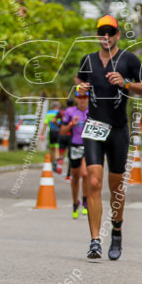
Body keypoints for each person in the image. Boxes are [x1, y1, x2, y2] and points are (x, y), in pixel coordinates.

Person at [75, 15, 142, 261]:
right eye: (101, 33)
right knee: (94, 182)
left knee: (116, 187)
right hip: (94, 127)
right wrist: (81, 91)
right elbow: (79, 95)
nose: (106, 37)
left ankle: (116, 230)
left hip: (118, 129)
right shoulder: (87, 60)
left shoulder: (128, 59)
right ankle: (95, 240)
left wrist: (127, 83)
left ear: (118, 34)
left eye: (110, 32)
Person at [60, 86, 90, 219]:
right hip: (75, 146)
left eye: (85, 97)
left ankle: (85, 201)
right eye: (80, 97)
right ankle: (75, 202)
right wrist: (71, 124)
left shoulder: (92, 111)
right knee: (76, 177)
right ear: (77, 98)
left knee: (85, 174)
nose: (82, 100)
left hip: (88, 146)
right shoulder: (70, 111)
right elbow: (62, 131)